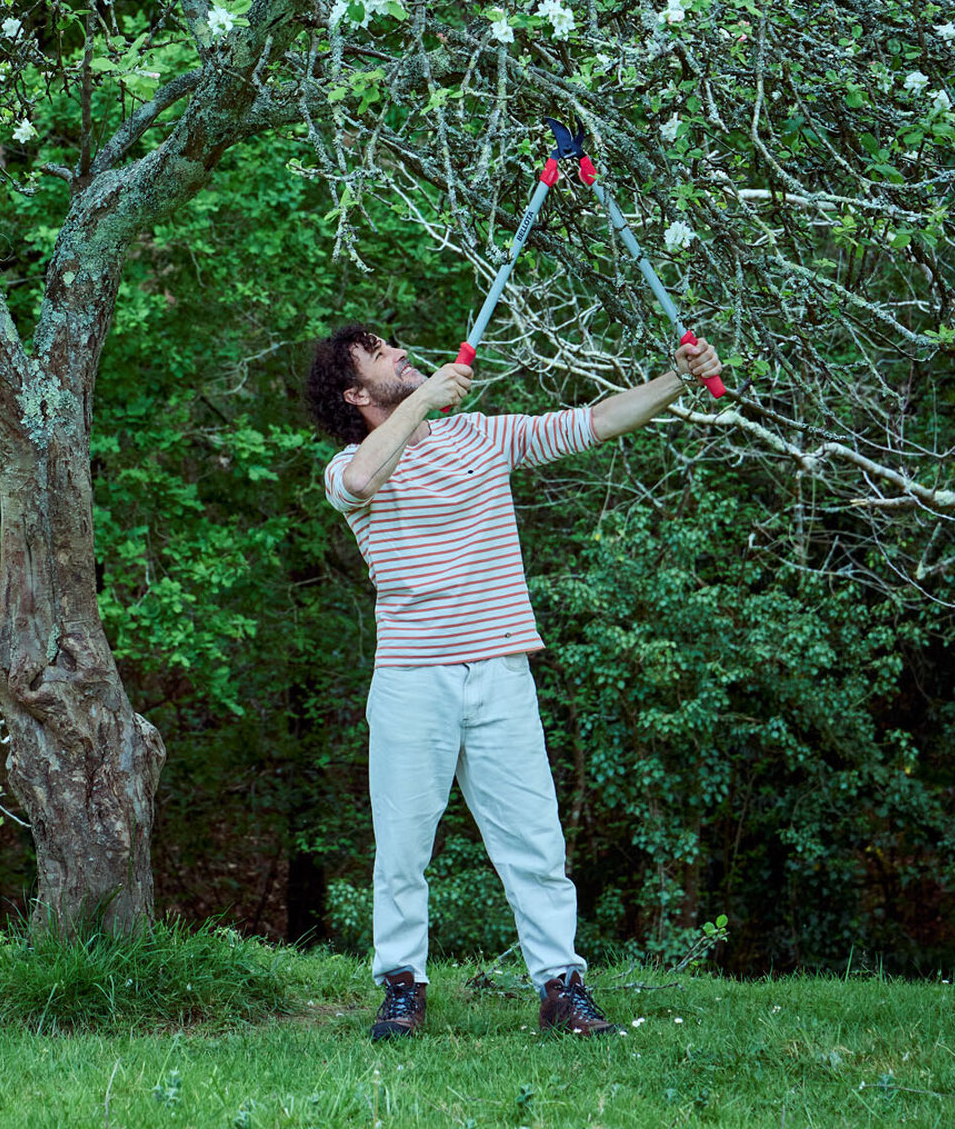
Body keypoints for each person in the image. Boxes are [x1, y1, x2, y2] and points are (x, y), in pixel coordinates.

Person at [305, 324, 724, 1042]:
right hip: (412, 680)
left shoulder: (482, 435)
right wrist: (424, 399)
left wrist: (678, 379)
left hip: (501, 673)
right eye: (379, 354)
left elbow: (595, 421)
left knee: (535, 846)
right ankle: (401, 989)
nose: (400, 353)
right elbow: (361, 483)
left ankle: (561, 989)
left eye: (394, 345)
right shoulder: (349, 464)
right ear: (354, 393)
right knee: (402, 852)